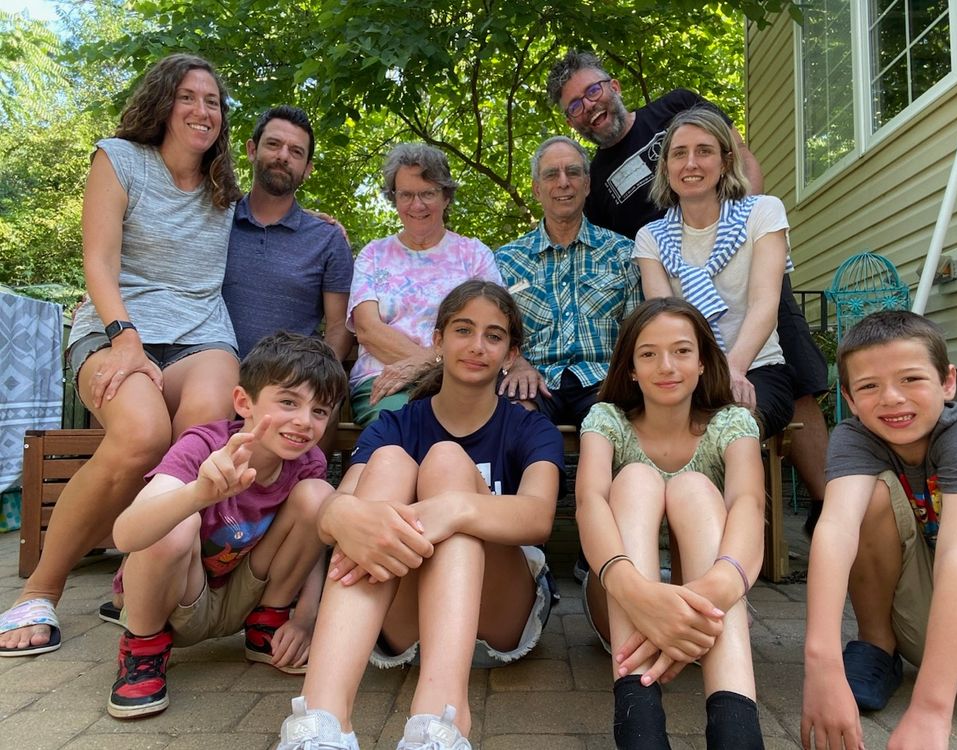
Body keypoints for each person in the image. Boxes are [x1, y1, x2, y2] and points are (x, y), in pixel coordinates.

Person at [0, 54, 242, 656]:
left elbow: (273, 215)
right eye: (189, 97)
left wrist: (318, 221)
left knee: (207, 425)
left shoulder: (223, 184)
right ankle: (40, 589)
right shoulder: (119, 159)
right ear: (164, 102)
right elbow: (98, 262)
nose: (202, 110)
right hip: (115, 330)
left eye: (212, 102)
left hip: (201, 334)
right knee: (140, 437)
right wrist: (124, 339)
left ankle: (146, 580)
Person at [275, 280, 564, 750]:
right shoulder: (397, 423)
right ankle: (322, 721)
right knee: (388, 464)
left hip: (500, 615)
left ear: (511, 354)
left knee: (448, 462)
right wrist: (344, 516)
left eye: (493, 336)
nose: (476, 346)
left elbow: (537, 518)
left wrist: (451, 509)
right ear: (437, 340)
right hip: (401, 615)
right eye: (463, 330)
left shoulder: (528, 425)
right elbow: (338, 507)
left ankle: (441, 720)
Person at [547, 49, 829, 528]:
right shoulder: (595, 179)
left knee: (794, 382)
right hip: (678, 292)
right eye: (574, 105)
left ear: (613, 86)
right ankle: (709, 521)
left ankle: (829, 505)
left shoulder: (674, 107)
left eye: (592, 90)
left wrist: (742, 225)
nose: (588, 106)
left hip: (745, 264)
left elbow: (740, 155)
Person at [103, 332, 344, 718]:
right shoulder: (202, 445)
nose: (304, 422)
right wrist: (198, 495)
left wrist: (305, 618)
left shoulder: (307, 463)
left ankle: (268, 625)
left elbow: (314, 545)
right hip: (175, 597)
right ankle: (142, 647)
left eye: (319, 411)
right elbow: (126, 534)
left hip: (242, 595)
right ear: (243, 402)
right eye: (288, 402)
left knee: (318, 496)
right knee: (175, 524)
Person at [800, 311, 957, 750]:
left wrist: (931, 710)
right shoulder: (855, 438)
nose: (891, 398)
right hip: (922, 620)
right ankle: (876, 648)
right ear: (849, 399)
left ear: (948, 382)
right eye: (869, 386)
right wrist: (822, 665)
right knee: (863, 499)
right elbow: (835, 531)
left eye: (910, 379)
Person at [576, 297, 765, 749]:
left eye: (681, 351)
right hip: (619, 591)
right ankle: (640, 731)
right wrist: (638, 593)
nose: (666, 365)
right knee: (636, 478)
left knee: (695, 487)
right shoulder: (608, 420)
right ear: (630, 369)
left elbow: (749, 504)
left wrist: (718, 587)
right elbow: (589, 502)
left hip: (706, 600)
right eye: (648, 353)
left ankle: (736, 733)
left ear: (703, 363)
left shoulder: (731, 423)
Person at [633, 107, 794, 440]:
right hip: (685, 374)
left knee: (732, 430)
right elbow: (666, 322)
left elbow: (765, 304)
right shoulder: (651, 238)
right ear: (666, 168)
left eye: (704, 151)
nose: (691, 163)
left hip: (756, 368)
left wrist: (732, 369)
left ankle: (741, 495)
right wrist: (707, 378)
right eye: (679, 154)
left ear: (725, 161)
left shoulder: (763, 213)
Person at [347, 143, 502, 426]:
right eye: (406, 194)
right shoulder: (373, 254)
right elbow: (368, 330)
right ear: (394, 198)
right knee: (407, 428)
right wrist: (432, 362)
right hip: (384, 382)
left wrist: (426, 364)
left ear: (445, 197)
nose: (417, 205)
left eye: (428, 193)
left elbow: (491, 328)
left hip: (459, 382)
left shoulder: (474, 255)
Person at [495, 136, 641, 428]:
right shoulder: (506, 261)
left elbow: (635, 333)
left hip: (603, 380)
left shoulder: (622, 252)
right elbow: (494, 332)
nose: (563, 182)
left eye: (573, 172)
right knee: (513, 421)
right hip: (532, 379)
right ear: (537, 189)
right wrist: (514, 363)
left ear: (586, 184)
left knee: (608, 423)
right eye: (551, 174)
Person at [223, 105, 354, 363]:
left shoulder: (327, 239)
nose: (283, 156)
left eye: (296, 152)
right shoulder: (216, 220)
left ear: (307, 169)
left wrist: (318, 381)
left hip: (289, 386)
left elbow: (340, 327)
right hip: (210, 376)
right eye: (273, 144)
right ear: (252, 150)